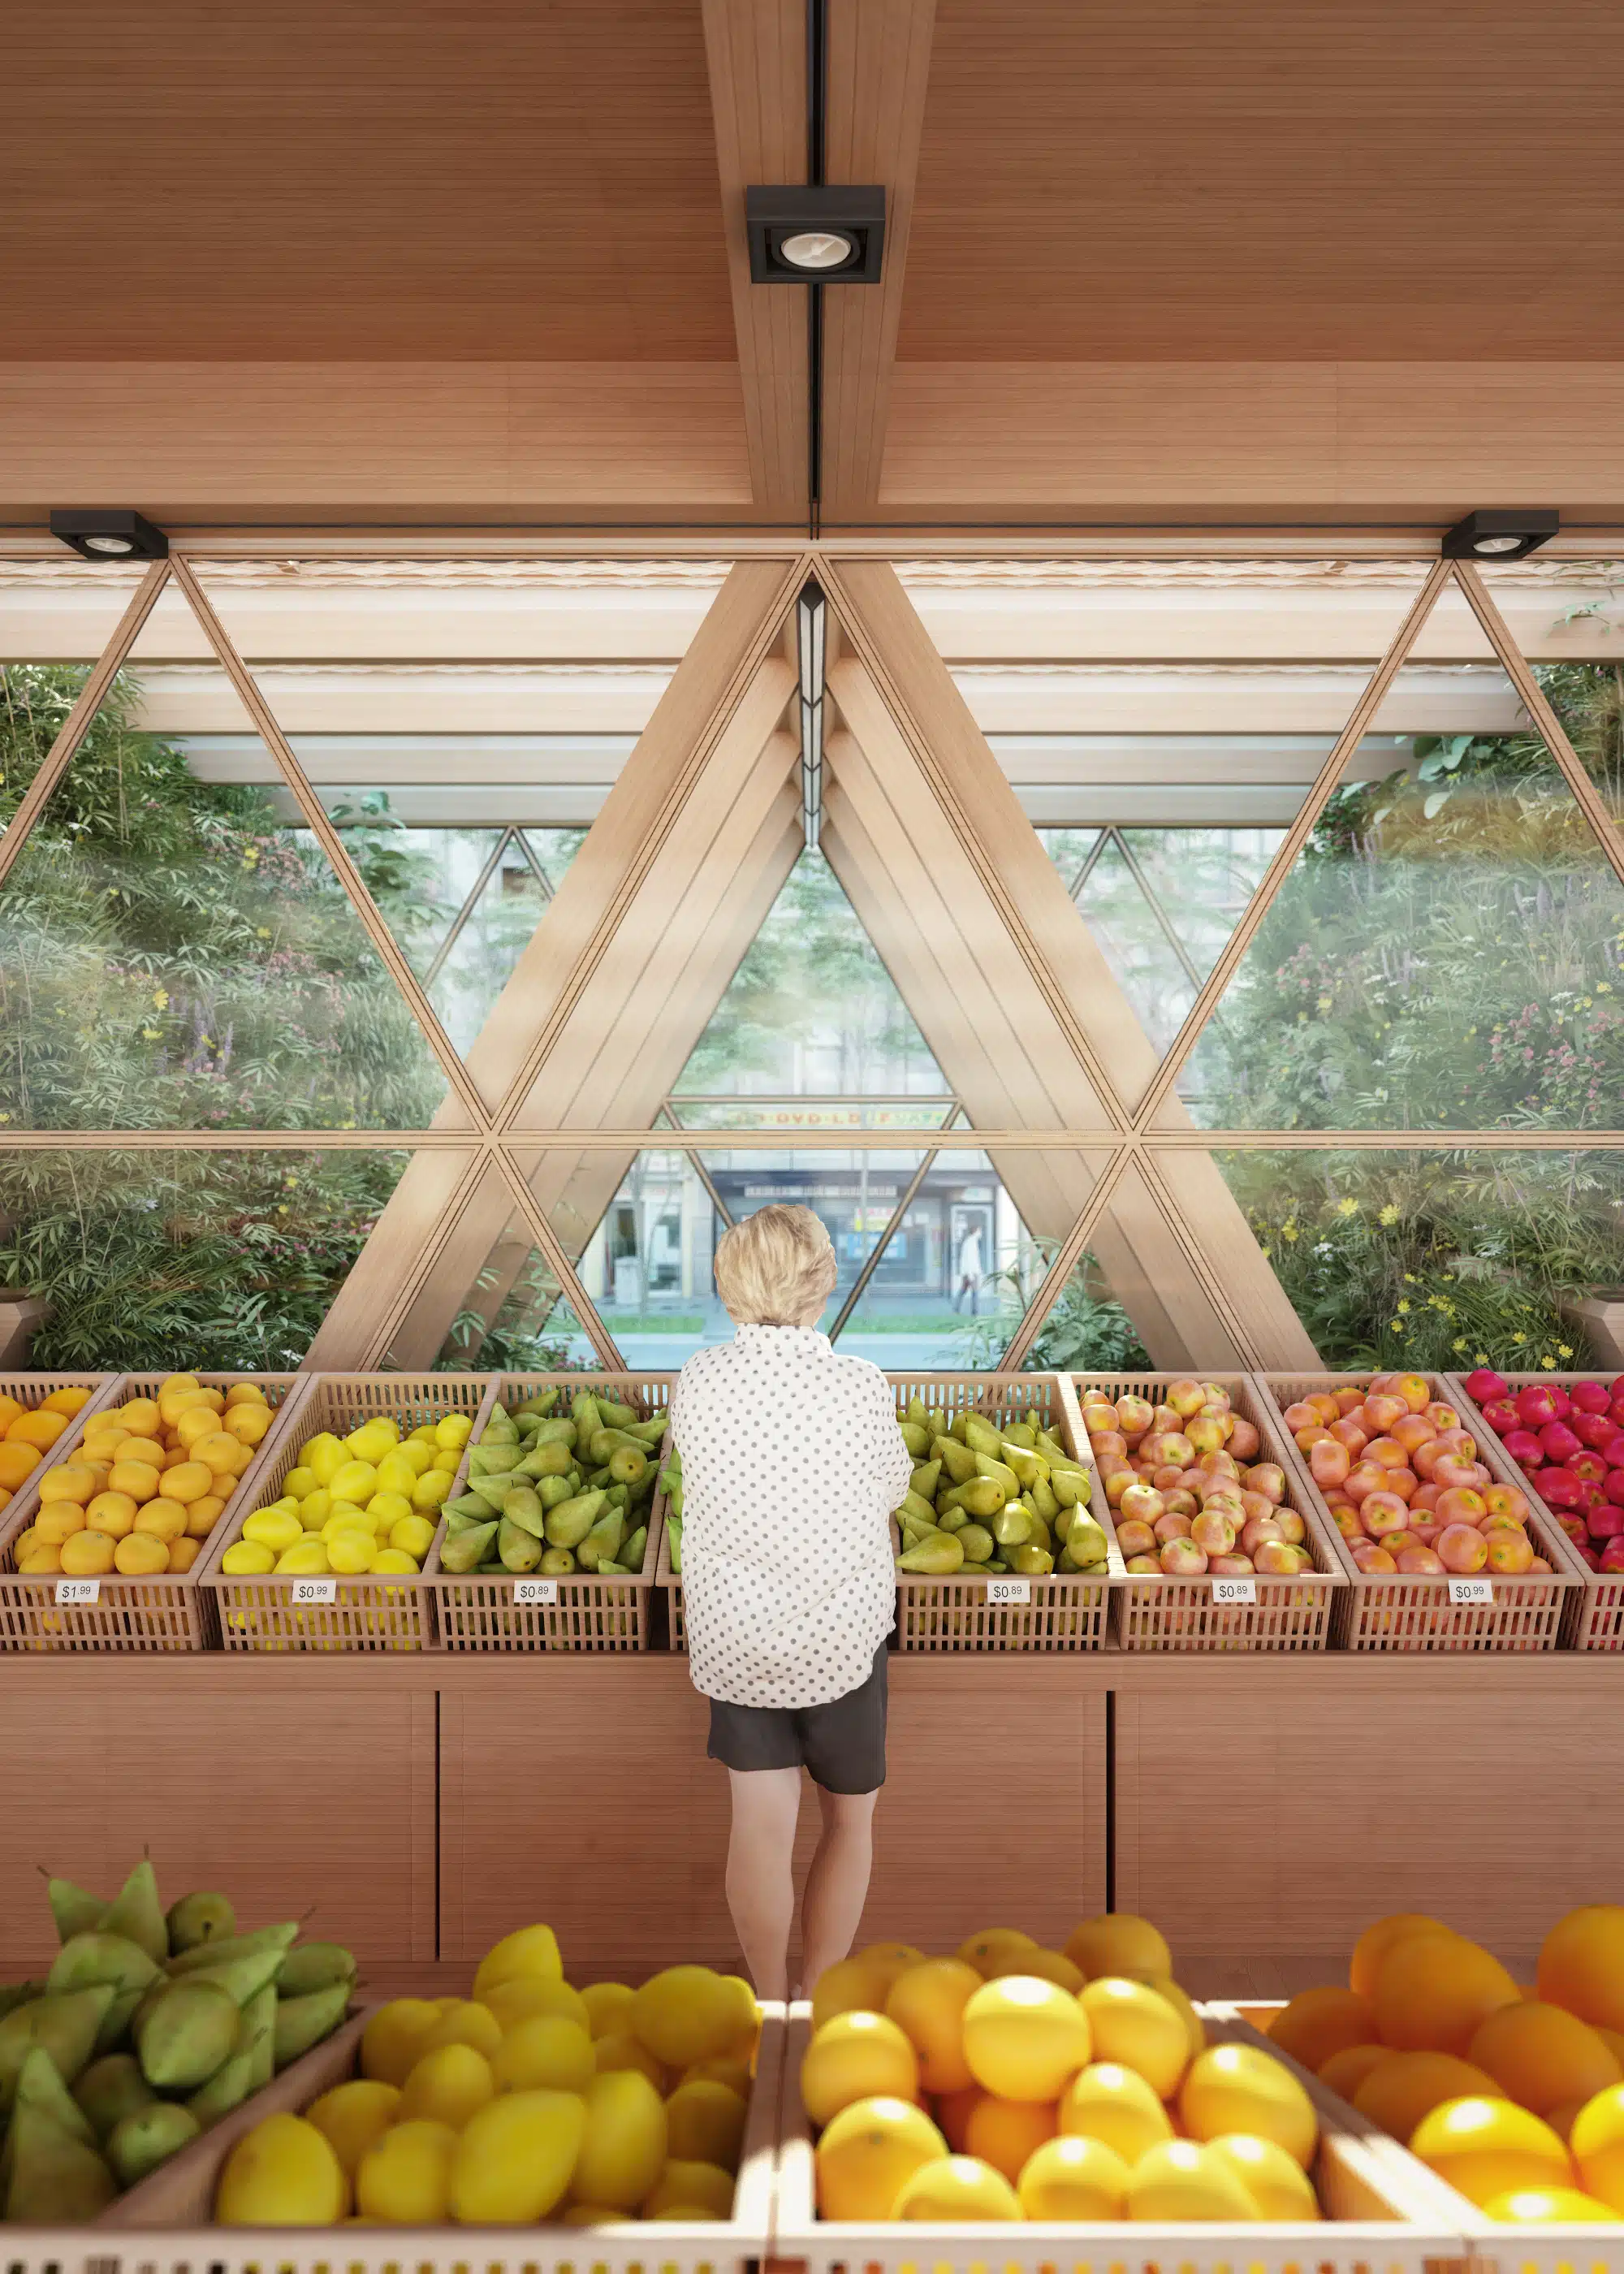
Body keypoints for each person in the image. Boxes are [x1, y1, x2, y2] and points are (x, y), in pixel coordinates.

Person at [671, 1203, 912, 2000]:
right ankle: (818, 1997)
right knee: (849, 1823)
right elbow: (890, 1486)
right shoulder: (858, 1385)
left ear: (729, 1283)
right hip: (839, 1634)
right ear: (821, 1282)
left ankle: (766, 2000)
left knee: (759, 1828)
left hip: (735, 1635)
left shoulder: (698, 1379)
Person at [952, 1217, 984, 1313]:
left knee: (963, 1290)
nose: (981, 1233)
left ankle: (956, 1308)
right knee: (975, 1292)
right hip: (971, 1272)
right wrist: (971, 1274)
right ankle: (975, 1311)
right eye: (979, 1231)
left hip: (968, 1271)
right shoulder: (971, 1243)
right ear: (975, 1231)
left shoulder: (970, 1241)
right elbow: (970, 1259)